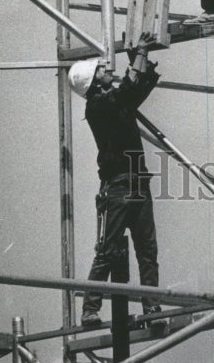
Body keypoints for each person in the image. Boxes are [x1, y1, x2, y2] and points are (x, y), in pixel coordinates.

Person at [68, 33, 163, 330]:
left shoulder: (114, 102)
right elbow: (128, 90)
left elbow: (137, 88)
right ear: (94, 82)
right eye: (102, 70)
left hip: (137, 183)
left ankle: (151, 306)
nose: (108, 71)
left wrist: (141, 59)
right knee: (109, 250)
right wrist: (139, 54)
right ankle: (90, 310)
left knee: (147, 251)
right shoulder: (98, 106)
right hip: (119, 186)